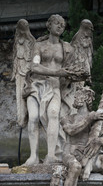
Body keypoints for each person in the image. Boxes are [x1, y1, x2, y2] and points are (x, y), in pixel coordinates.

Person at [23, 15, 73, 166]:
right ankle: (33, 157)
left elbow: (70, 71)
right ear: (48, 25)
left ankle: (51, 155)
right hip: (36, 85)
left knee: (53, 115)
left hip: (55, 87)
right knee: (33, 118)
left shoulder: (67, 48)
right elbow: (35, 66)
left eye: (63, 25)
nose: (60, 26)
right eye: (57, 23)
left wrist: (71, 75)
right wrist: (58, 72)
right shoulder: (39, 46)